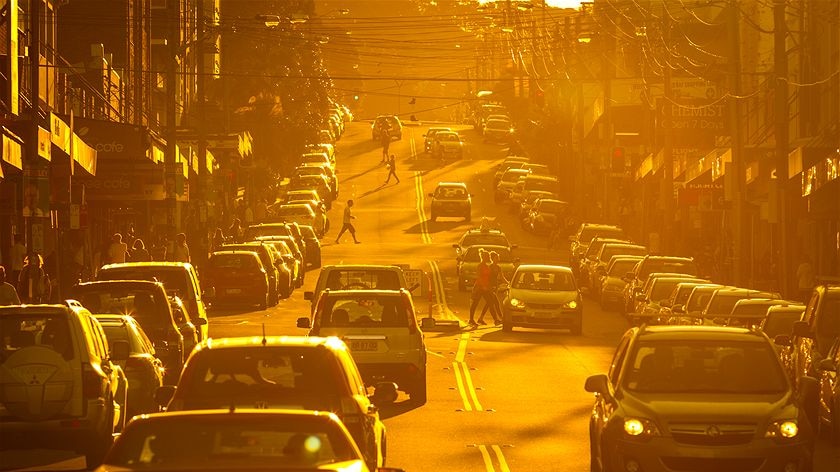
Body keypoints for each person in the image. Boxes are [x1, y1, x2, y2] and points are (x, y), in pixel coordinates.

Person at [477, 251, 505, 325]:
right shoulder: (490, 267)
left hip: (495, 286)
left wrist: (508, 283)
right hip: (490, 287)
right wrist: (487, 286)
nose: (497, 259)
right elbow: (486, 277)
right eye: (496, 258)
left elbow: (502, 277)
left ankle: (481, 318)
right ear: (492, 259)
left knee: (489, 303)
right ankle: (500, 318)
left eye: (498, 258)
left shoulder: (498, 267)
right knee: (495, 302)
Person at [468, 249, 494, 327]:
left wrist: (489, 286)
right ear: (484, 257)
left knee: (490, 302)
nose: (489, 258)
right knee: (475, 303)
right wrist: (483, 286)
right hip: (479, 287)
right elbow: (478, 277)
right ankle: (471, 319)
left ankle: (488, 319)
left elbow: (489, 277)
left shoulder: (487, 266)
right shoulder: (480, 266)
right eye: (488, 256)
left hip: (486, 288)